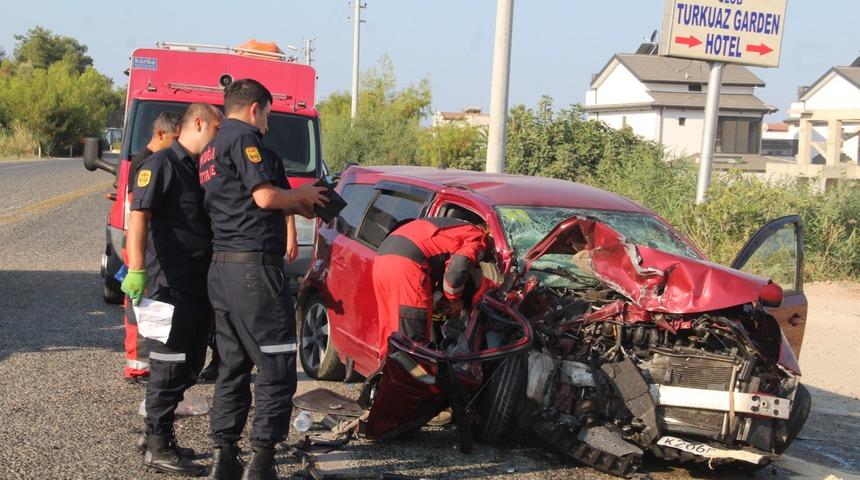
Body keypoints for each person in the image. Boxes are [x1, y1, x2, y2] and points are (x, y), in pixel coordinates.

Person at [199, 78, 327, 480]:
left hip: (222, 268)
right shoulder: (244, 140)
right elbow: (264, 197)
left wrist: (302, 204)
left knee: (232, 364)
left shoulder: (210, 148)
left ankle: (224, 456)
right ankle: (261, 461)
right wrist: (302, 196)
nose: (268, 123)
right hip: (254, 271)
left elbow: (252, 202)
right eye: (268, 114)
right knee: (276, 364)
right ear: (255, 108)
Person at [121, 103, 224, 476]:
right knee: (168, 366)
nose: (220, 138)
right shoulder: (161, 164)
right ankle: (158, 445)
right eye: (216, 129)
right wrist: (136, 269)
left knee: (191, 365)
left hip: (196, 285)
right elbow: (139, 217)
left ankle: (154, 432)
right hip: (168, 285)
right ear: (198, 123)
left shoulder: (198, 169)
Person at [123, 111, 182, 383]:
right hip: (142, 246)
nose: (179, 145)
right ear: (160, 134)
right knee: (140, 305)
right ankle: (137, 366)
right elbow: (138, 212)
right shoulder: (146, 162)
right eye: (175, 139)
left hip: (148, 246)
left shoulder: (158, 161)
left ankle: (148, 363)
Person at [372, 218, 489, 349]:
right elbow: (456, 272)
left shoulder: (456, 227)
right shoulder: (477, 235)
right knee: (413, 343)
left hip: (382, 258)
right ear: (489, 232)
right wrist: (453, 299)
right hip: (407, 266)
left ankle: (387, 360)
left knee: (391, 330)